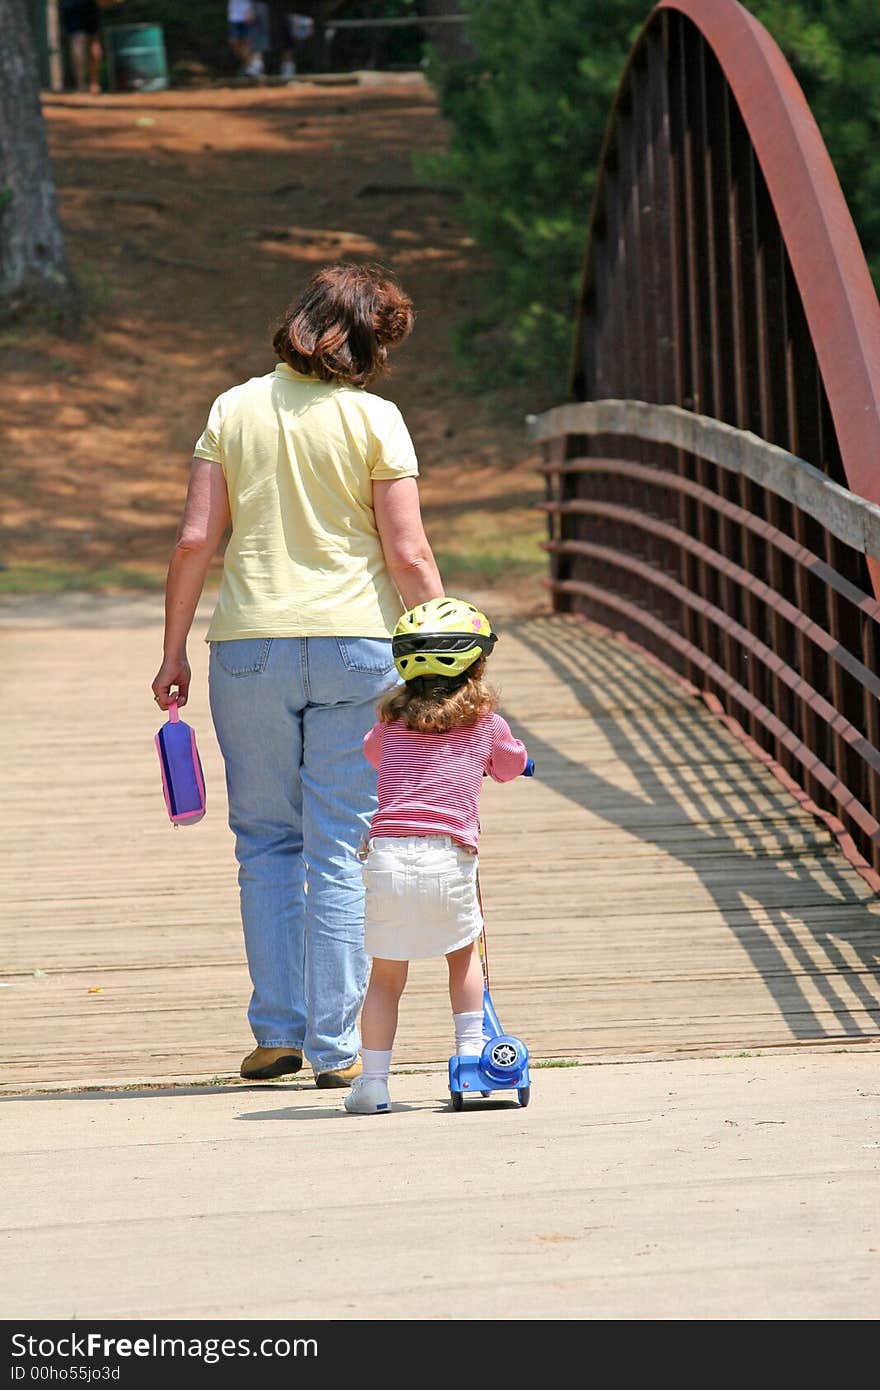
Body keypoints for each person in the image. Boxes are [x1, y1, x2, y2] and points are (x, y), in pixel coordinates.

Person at [151, 262, 444, 1089]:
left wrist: (173, 650)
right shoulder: (376, 421)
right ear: (367, 343)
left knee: (267, 841)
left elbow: (194, 542)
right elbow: (409, 553)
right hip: (358, 646)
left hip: (249, 650)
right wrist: (450, 646)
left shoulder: (233, 409)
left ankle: (275, 1030)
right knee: (340, 845)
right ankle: (337, 1043)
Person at [344, 597, 529, 1115]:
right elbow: (509, 765)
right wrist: (516, 761)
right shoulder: (485, 723)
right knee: (463, 958)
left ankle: (374, 1084)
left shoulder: (392, 723)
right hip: (447, 857)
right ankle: (473, 1063)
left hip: (386, 856)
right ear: (477, 664)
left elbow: (372, 754)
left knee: (385, 977)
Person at [60, 0, 103, 93]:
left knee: (77, 41)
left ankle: (81, 83)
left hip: (73, 5)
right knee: (93, 40)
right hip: (90, 5)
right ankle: (94, 83)